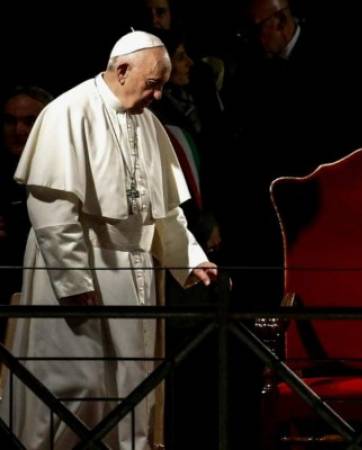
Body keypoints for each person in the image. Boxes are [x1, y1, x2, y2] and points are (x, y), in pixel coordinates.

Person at [0, 30, 217, 450]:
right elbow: (51, 206)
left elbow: (164, 210)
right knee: (74, 382)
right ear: (121, 70)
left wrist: (190, 258)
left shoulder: (149, 123)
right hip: (82, 267)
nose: (158, 97)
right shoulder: (69, 112)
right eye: (152, 84)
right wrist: (74, 278)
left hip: (134, 274)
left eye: (162, 87)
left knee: (132, 382)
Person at [0, 86, 54, 309]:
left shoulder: (64, 176)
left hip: (47, 290)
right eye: (11, 121)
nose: (19, 130)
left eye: (29, 121)